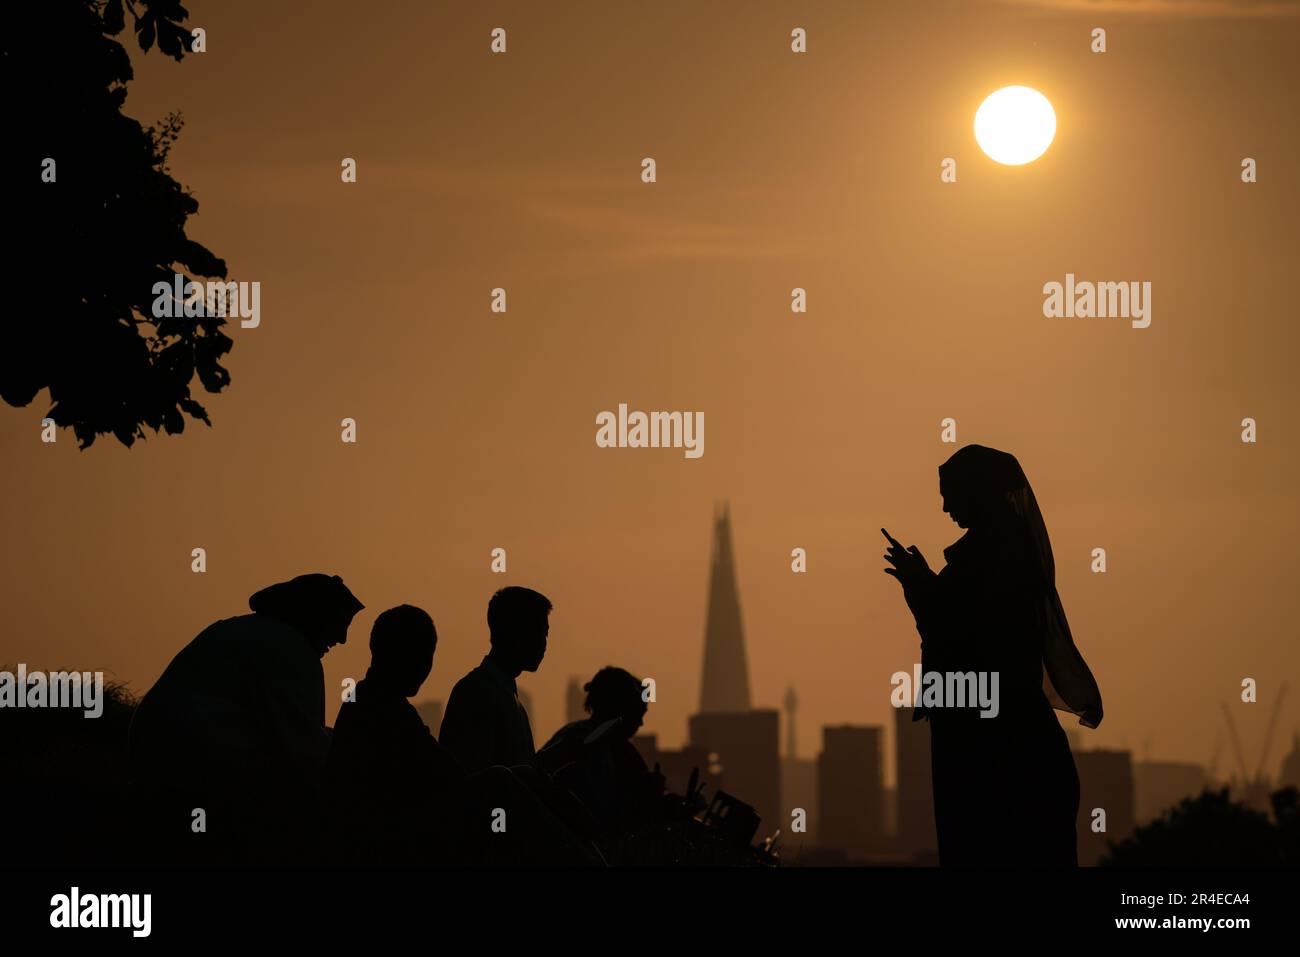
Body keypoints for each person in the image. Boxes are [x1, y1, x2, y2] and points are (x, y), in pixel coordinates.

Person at [883, 445, 1102, 866]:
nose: (945, 507)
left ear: (979, 492)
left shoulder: (1001, 561)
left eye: (953, 494)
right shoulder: (995, 558)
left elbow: (972, 638)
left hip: (997, 751)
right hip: (985, 740)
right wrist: (924, 585)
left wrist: (922, 587)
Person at [128, 573, 364, 864]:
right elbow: (306, 754)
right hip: (193, 770)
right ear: (314, 615)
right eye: (339, 624)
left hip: (155, 755)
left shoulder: (241, 630)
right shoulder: (291, 650)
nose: (342, 639)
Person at [326, 605, 472, 864]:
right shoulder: (385, 709)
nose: (425, 667)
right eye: (419, 655)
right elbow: (447, 774)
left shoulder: (369, 700)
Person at [537, 666, 664, 835]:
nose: (640, 723)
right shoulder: (582, 741)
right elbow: (602, 808)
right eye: (637, 713)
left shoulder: (612, 745)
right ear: (620, 708)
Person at [439, 586, 551, 774]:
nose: (544, 643)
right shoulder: (477, 693)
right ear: (515, 634)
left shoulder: (505, 695)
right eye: (539, 632)